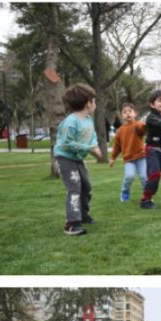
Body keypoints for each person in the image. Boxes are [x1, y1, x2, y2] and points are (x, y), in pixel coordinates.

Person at [54, 83, 103, 236]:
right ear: (89, 103)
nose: (95, 104)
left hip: (78, 159)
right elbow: (66, 144)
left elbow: (91, 137)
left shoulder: (88, 120)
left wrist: (95, 148)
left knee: (86, 187)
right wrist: (89, 149)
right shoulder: (71, 122)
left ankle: (83, 215)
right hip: (65, 159)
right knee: (74, 189)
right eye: (94, 101)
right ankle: (72, 223)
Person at [108, 102, 148, 203]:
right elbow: (117, 146)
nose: (128, 114)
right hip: (128, 159)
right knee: (129, 176)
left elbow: (143, 129)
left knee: (144, 176)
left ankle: (147, 195)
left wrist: (145, 124)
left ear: (135, 113)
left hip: (141, 156)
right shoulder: (120, 131)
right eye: (124, 112)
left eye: (130, 111)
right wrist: (113, 158)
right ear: (122, 116)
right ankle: (125, 192)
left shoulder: (138, 124)